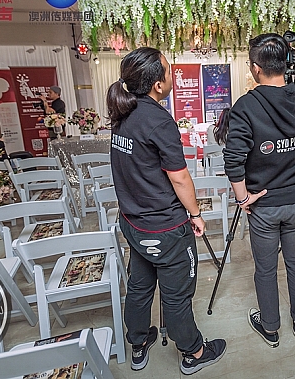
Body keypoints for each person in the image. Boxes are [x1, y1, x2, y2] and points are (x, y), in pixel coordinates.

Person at [106, 47, 225, 375]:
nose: (173, 76)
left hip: (133, 222)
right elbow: (180, 177)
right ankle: (193, 351)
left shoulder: (123, 113)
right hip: (165, 228)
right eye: (170, 71)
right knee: (176, 294)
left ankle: (138, 343)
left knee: (140, 285)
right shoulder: (158, 120)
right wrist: (196, 214)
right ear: (158, 85)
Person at [224, 34, 295, 348]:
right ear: (286, 63)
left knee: (265, 269)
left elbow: (233, 158)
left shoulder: (246, 105)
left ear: (255, 68)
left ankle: (271, 328)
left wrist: (242, 198)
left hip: (263, 203)